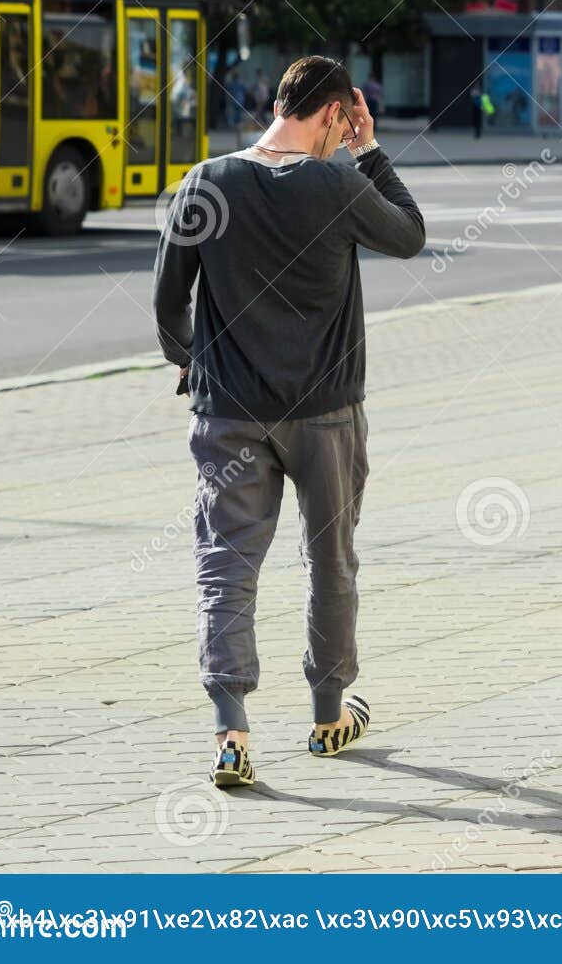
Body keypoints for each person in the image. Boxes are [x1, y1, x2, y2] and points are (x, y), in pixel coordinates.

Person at [152, 55, 427, 788]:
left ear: (278, 104)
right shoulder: (337, 183)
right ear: (337, 114)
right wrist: (370, 151)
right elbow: (409, 234)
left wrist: (191, 360)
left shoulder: (206, 182)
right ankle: (328, 717)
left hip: (229, 414)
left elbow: (168, 303)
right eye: (345, 125)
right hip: (325, 412)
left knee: (226, 563)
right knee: (330, 559)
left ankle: (231, 733)